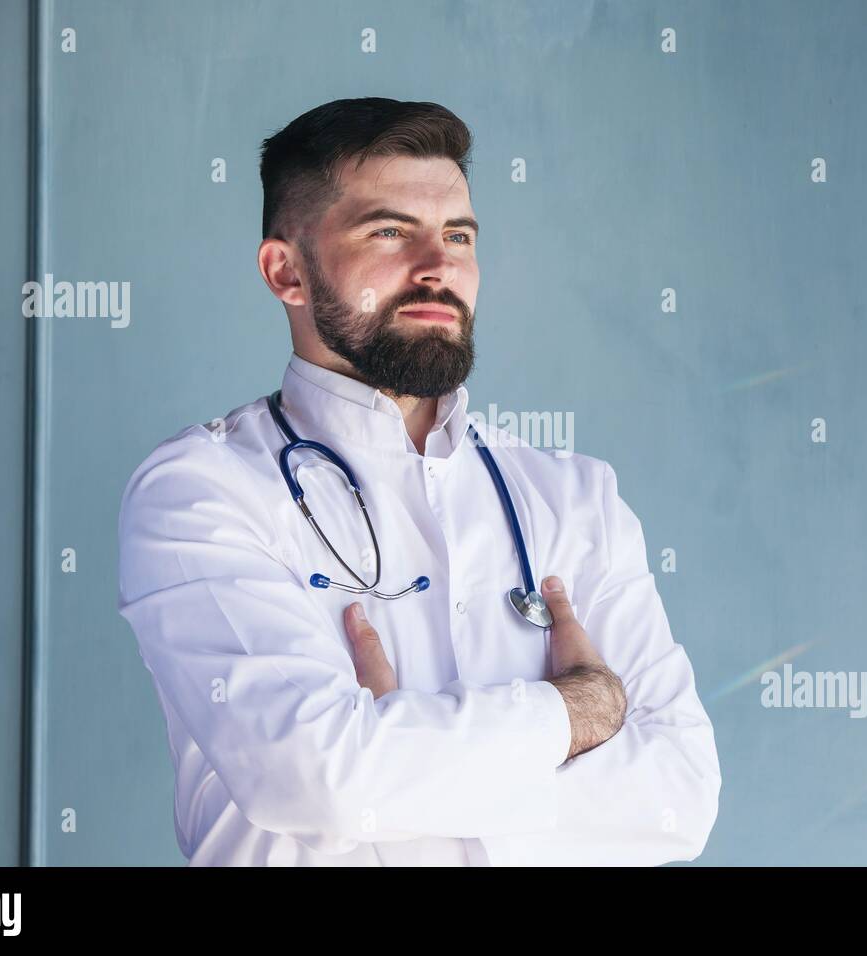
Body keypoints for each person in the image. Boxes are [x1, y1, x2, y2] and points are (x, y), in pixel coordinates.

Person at [117, 97, 721, 866]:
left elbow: (679, 799)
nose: (439, 267)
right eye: (390, 232)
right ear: (287, 272)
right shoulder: (202, 491)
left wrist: (399, 756)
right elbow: (317, 784)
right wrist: (577, 713)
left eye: (459, 235)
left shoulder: (575, 499)